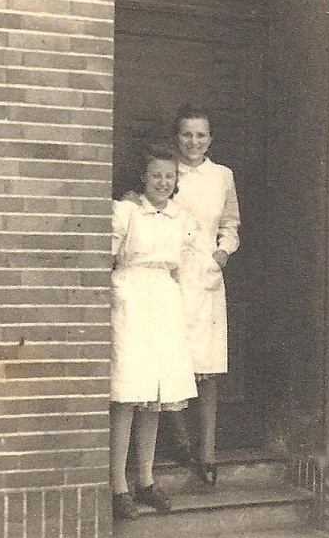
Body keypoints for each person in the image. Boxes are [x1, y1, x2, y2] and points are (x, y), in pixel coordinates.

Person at [125, 103, 240, 485]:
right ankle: (182, 442)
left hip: (206, 275)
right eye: (187, 134)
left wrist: (222, 251)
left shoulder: (222, 176)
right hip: (170, 275)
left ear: (211, 138)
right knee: (173, 362)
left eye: (201, 134)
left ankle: (207, 452)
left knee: (206, 369)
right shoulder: (165, 172)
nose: (194, 141)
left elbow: (230, 224)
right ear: (177, 137)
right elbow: (147, 204)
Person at [110, 145, 199, 520]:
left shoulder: (181, 219)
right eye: (156, 175)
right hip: (131, 299)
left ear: (176, 181)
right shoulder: (126, 211)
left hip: (164, 301)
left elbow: (182, 266)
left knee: (156, 396)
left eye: (169, 176)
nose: (163, 182)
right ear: (143, 178)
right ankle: (117, 485)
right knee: (129, 392)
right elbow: (108, 256)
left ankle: (145, 480)